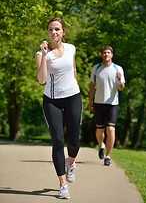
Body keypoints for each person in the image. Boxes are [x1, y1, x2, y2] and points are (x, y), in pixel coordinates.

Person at [35, 17, 82, 199]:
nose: (53, 33)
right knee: (58, 140)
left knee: (74, 139)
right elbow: (41, 80)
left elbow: (73, 68)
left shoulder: (71, 48)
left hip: (72, 97)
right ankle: (63, 185)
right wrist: (45, 54)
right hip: (52, 100)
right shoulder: (41, 54)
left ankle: (71, 163)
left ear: (63, 32)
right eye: (50, 30)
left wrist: (74, 83)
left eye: (57, 29)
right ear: (47, 33)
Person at [88, 45, 125, 166]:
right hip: (98, 103)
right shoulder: (96, 68)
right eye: (104, 53)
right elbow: (92, 85)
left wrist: (119, 80)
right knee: (99, 130)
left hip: (112, 104)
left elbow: (121, 88)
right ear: (102, 55)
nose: (106, 55)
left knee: (110, 129)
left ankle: (108, 156)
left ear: (112, 55)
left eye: (108, 53)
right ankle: (101, 145)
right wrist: (90, 101)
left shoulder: (118, 69)